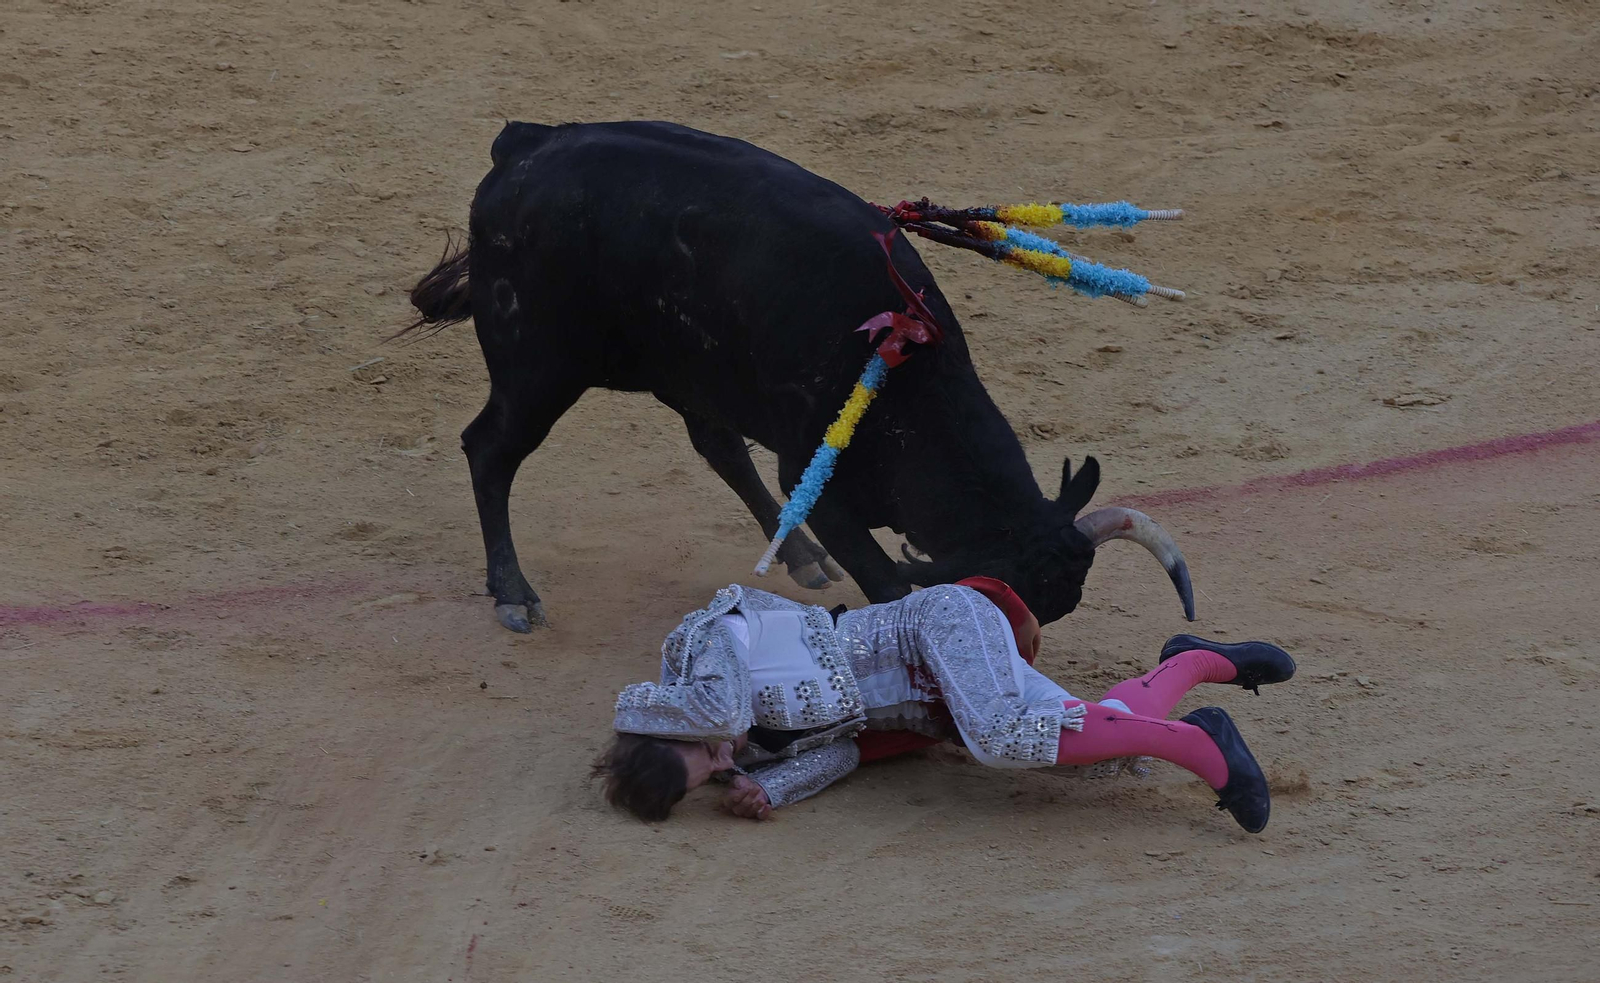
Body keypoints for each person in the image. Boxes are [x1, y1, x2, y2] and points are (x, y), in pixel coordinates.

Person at [597, 579, 1294, 832]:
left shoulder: (700, 641)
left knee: (1000, 736)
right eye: (706, 771)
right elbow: (842, 749)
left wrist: (709, 735)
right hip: (937, 701)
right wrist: (766, 785)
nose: (719, 754)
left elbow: (717, 710)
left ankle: (1206, 752)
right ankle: (1196, 665)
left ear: (664, 718)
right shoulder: (732, 744)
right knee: (1103, 760)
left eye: (699, 752)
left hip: (931, 627)